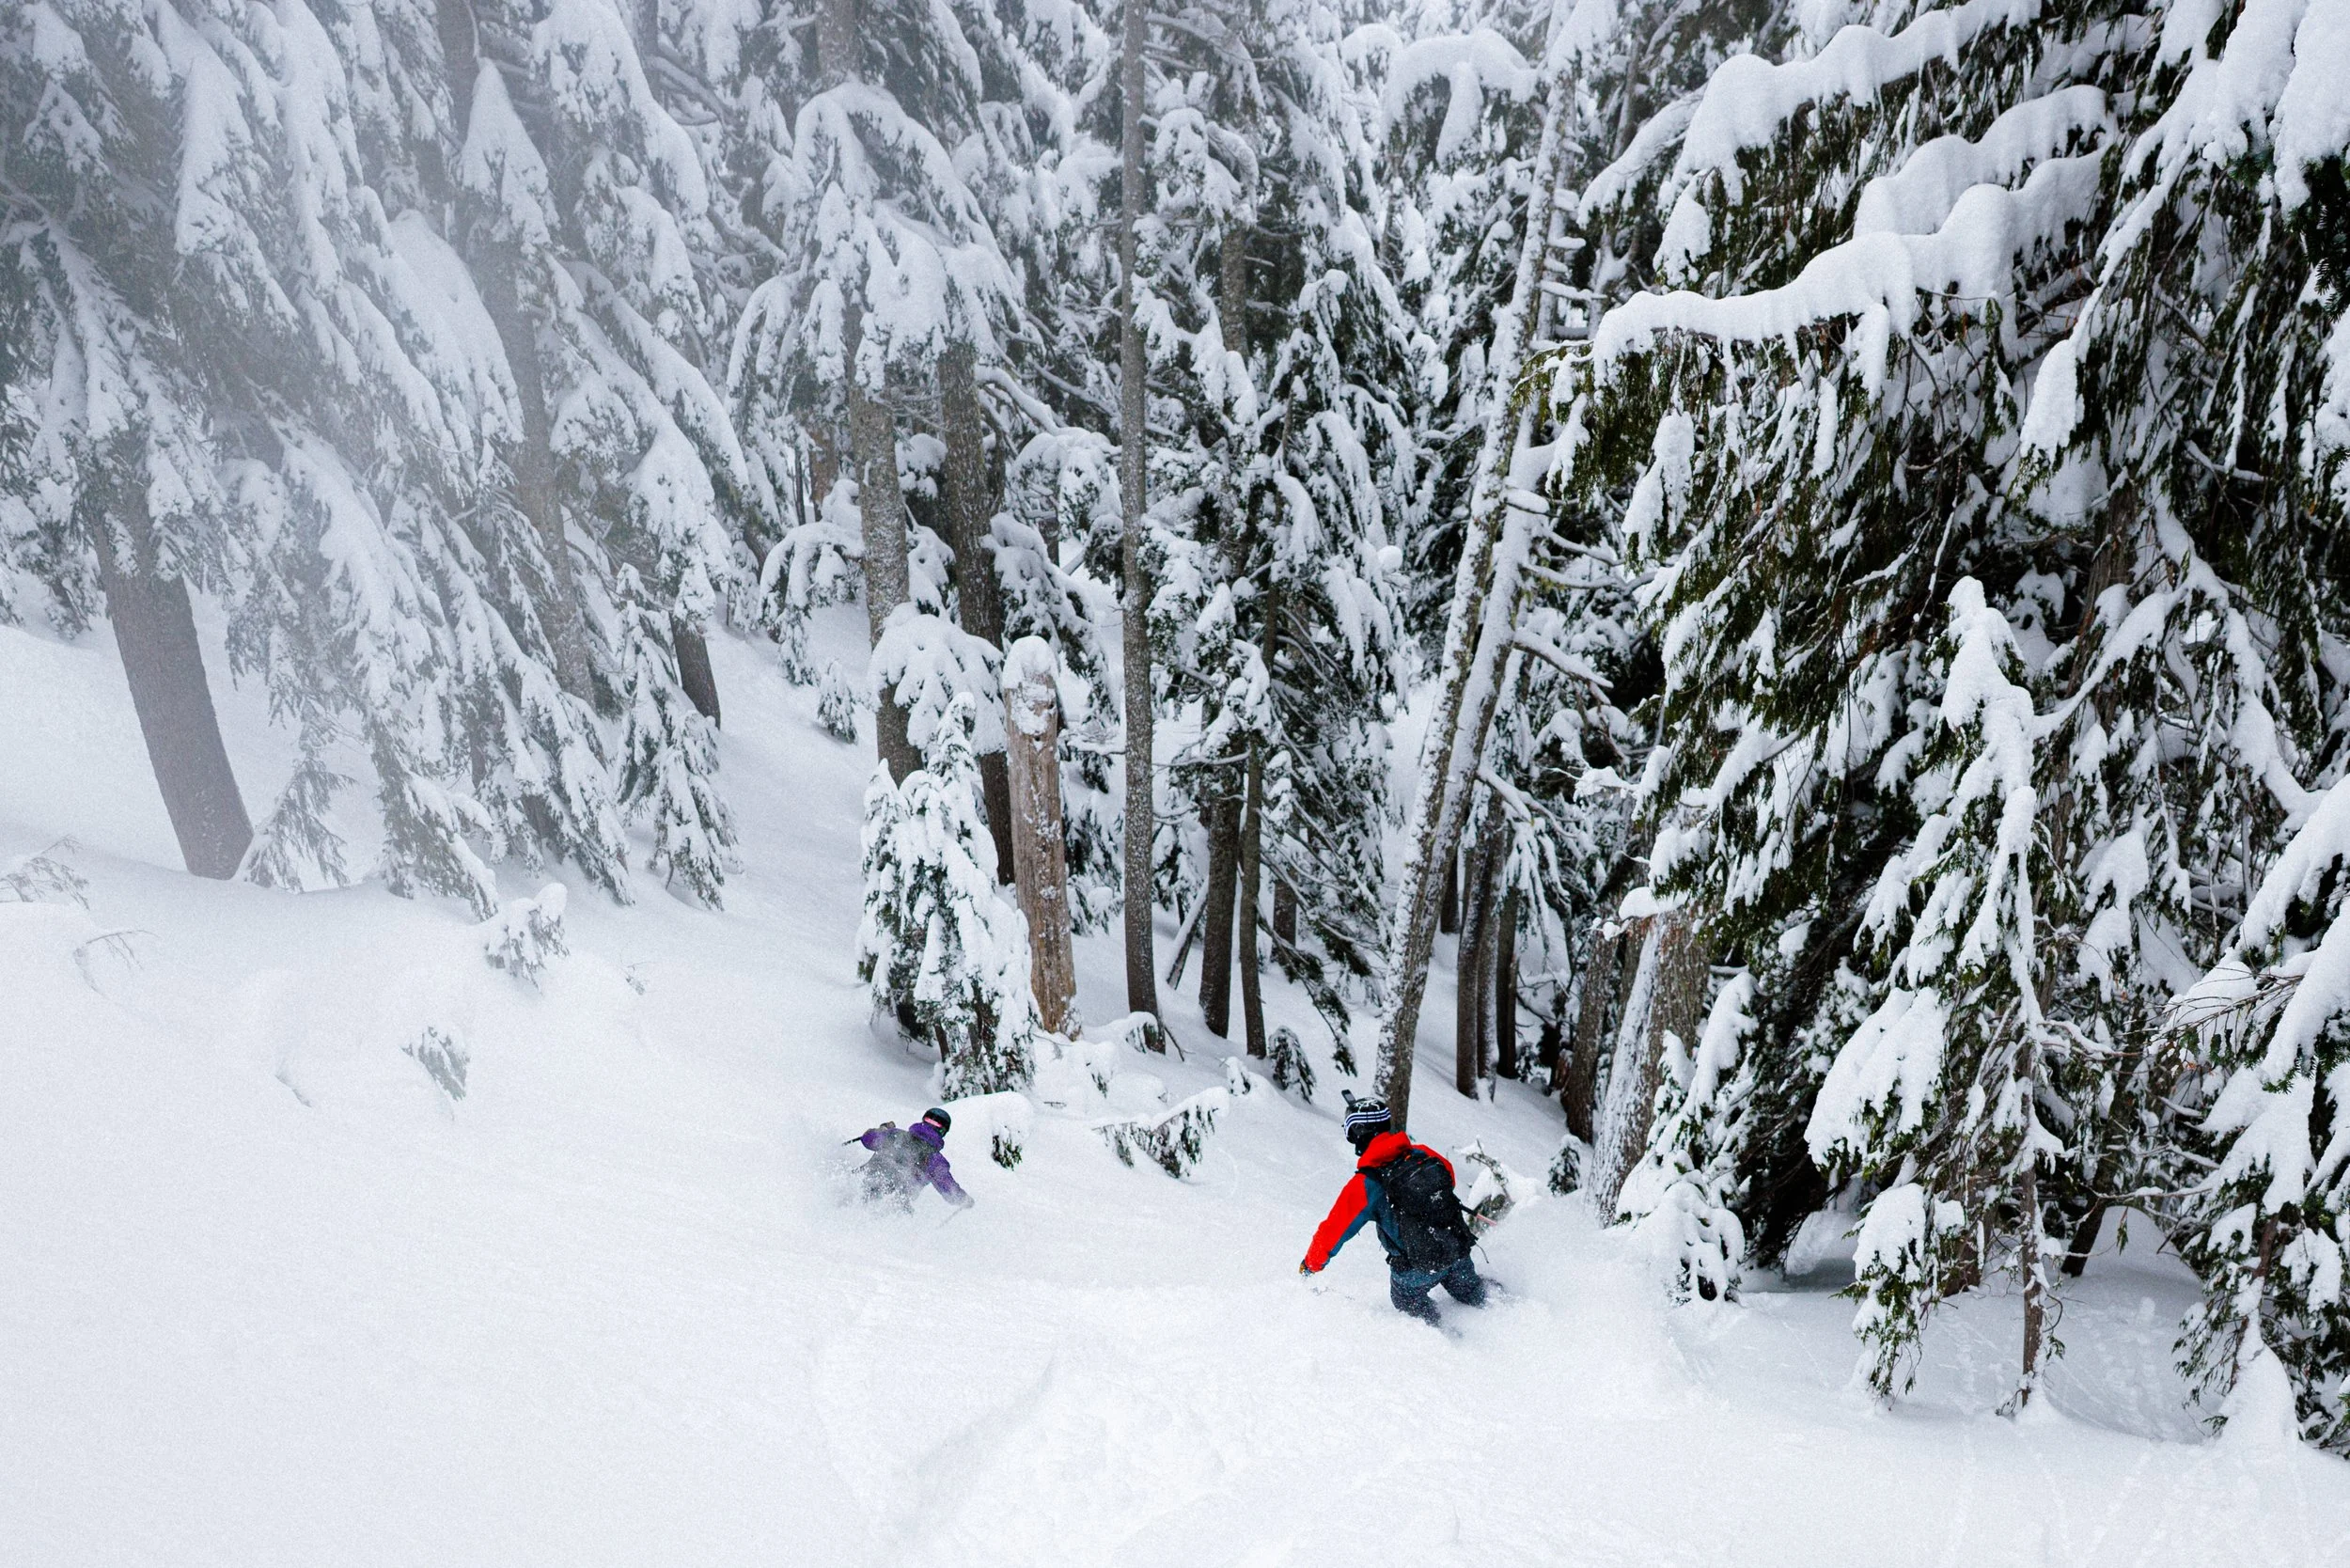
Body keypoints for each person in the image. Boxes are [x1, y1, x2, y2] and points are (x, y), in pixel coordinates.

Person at [1298, 1095, 1485, 1325]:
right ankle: (1510, 1313)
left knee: (1405, 1299)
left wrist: (1310, 1265)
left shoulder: (1367, 1184)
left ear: (1358, 1134)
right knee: (1475, 1293)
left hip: (1417, 1268)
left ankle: (1448, 1343)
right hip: (1456, 1247)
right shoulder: (1424, 1154)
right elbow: (1449, 1181)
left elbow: (1334, 1230)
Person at [854, 1106, 973, 1211]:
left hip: (859, 1184)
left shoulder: (895, 1135)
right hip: (891, 1204)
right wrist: (965, 1200)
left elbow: (867, 1139)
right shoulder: (935, 1160)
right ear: (943, 1131)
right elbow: (949, 1190)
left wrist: (883, 1130)